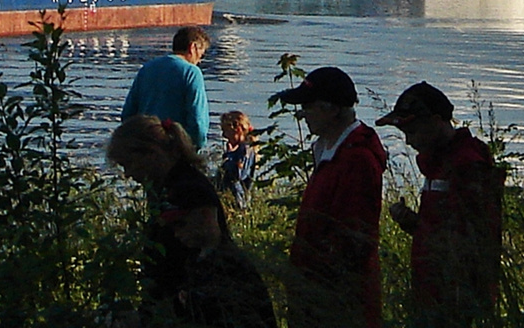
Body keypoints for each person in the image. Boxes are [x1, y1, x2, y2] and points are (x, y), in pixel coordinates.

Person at [107, 115, 277, 328]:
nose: (128, 173)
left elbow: (181, 262)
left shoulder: (187, 191)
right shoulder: (175, 185)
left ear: (152, 153)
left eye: (129, 164)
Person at [378, 82, 503, 328]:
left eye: (412, 131)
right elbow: (443, 228)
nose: (409, 140)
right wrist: (413, 222)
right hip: (433, 293)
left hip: (455, 297)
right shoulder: (440, 161)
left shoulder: (466, 164)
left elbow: (470, 239)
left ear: (436, 121)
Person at [272, 66, 387, 328]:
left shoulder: (357, 159)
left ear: (332, 109)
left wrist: (317, 287)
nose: (302, 114)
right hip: (314, 293)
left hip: (337, 301)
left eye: (308, 106)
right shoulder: (330, 150)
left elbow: (353, 239)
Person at [122, 26, 211, 148]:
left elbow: (128, 114)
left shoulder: (147, 68)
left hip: (145, 147)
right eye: (201, 55)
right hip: (175, 148)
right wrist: (197, 148)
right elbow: (197, 121)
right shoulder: (191, 72)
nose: (199, 61)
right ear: (193, 47)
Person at [216, 110, 256, 208]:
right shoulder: (239, 149)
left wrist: (229, 155)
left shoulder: (246, 150)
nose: (223, 135)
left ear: (237, 130)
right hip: (233, 199)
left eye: (225, 131)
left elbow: (238, 175)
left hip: (238, 201)